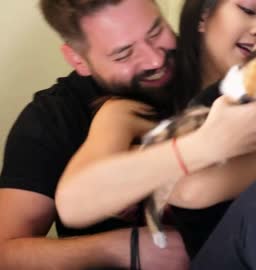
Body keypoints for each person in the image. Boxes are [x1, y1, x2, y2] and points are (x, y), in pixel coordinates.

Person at [55, 0, 256, 268]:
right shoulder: (129, 112)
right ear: (203, 15)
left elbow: (195, 189)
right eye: (248, 9)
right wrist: (205, 144)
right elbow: (73, 202)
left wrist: (130, 166)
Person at [0, 0, 191, 269]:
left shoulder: (211, 62)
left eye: (156, 31)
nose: (155, 59)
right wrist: (117, 248)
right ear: (78, 60)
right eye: (124, 54)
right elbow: (5, 252)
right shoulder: (51, 120)